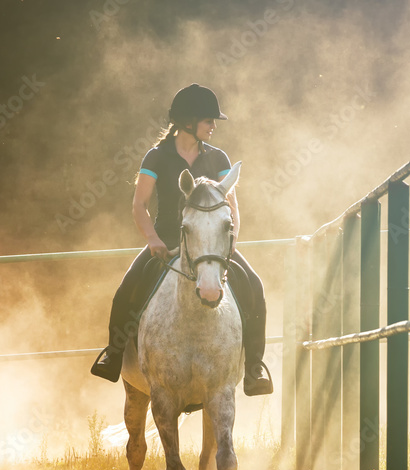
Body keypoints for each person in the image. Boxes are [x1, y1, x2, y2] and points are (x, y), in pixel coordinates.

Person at [90, 83, 273, 396]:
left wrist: (229, 243)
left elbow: (231, 207)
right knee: (126, 290)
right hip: (167, 239)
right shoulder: (156, 157)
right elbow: (140, 205)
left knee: (254, 284)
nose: (214, 126)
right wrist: (152, 240)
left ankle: (254, 367)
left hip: (211, 244)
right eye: (208, 121)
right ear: (188, 122)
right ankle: (114, 354)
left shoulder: (218, 158)